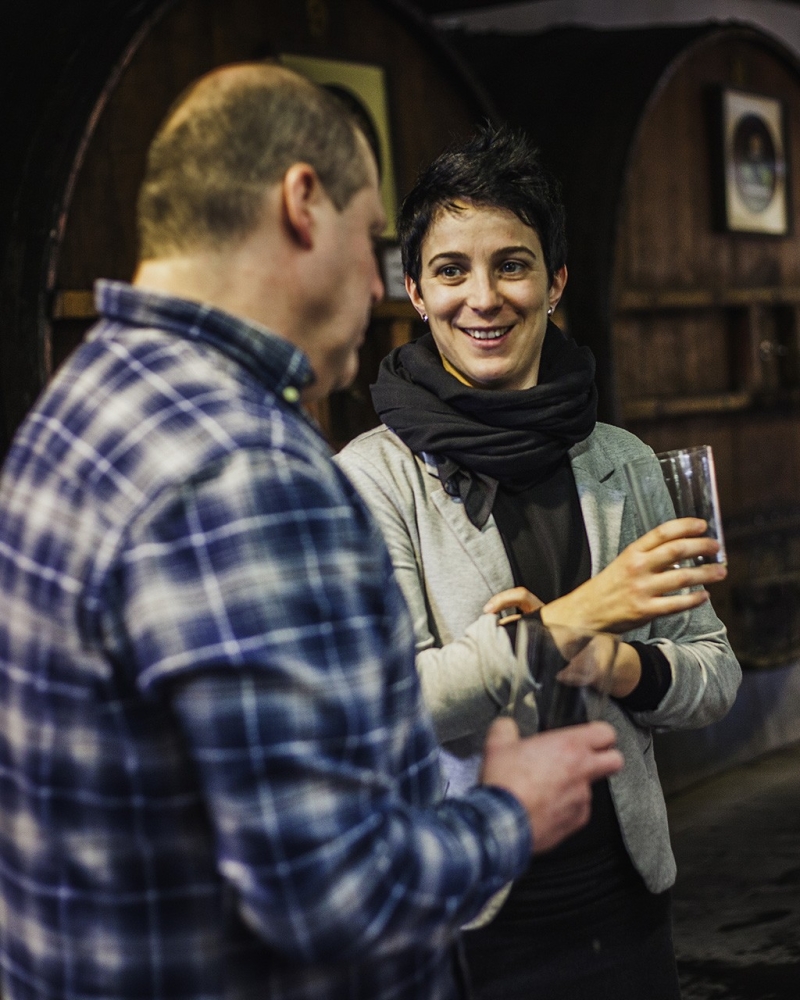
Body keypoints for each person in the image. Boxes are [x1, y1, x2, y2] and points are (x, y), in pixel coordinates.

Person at [0, 67, 625, 1000]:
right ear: (303, 203)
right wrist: (510, 814)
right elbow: (329, 895)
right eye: (376, 239)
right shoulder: (246, 465)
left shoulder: (82, 408)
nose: (383, 282)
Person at [336, 124, 742, 1000]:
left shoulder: (622, 462)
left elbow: (717, 675)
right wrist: (564, 625)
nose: (483, 298)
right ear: (415, 289)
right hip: (465, 925)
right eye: (451, 270)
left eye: (512, 265)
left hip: (626, 901)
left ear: (555, 283)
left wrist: (622, 664)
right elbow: (382, 713)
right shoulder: (372, 481)